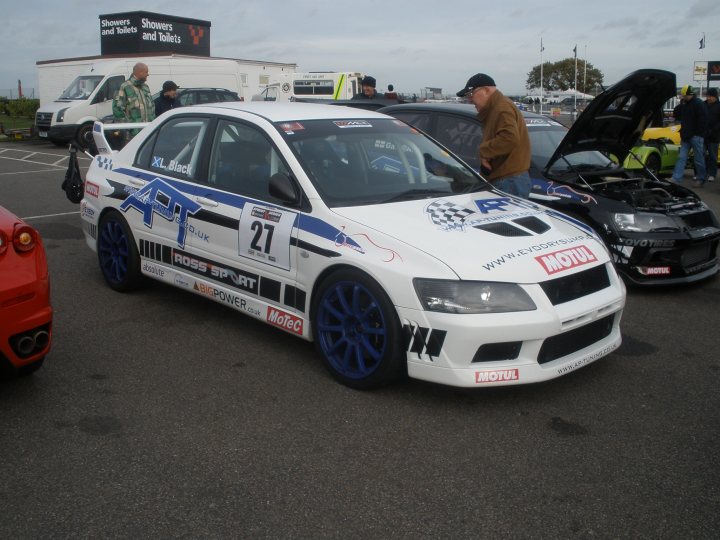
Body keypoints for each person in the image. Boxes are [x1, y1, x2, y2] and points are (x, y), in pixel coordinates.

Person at [456, 73, 532, 198]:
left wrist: (485, 151)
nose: (469, 99)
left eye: (471, 94)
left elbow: (509, 138)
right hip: (510, 179)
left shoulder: (501, 109)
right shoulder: (498, 107)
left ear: (486, 90)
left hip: (508, 181)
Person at [671, 85, 709, 187]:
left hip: (695, 136)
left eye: (683, 95)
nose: (682, 97)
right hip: (687, 136)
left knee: (698, 159)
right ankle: (676, 178)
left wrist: (697, 133)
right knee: (682, 158)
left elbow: (703, 121)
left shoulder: (698, 104)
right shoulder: (687, 104)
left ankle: (701, 178)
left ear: (688, 95)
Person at [112, 62, 155, 140]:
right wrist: (129, 129)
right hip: (132, 136)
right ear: (139, 72)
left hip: (148, 134)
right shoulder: (124, 87)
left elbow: (152, 109)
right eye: (146, 72)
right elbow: (118, 110)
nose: (148, 74)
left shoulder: (146, 87)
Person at [705, 87, 719, 182]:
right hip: (703, 135)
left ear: (715, 97)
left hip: (714, 136)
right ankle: (701, 173)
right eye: (707, 96)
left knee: (713, 156)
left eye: (710, 96)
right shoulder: (703, 105)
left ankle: (712, 174)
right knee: (700, 154)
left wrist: (714, 130)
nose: (708, 98)